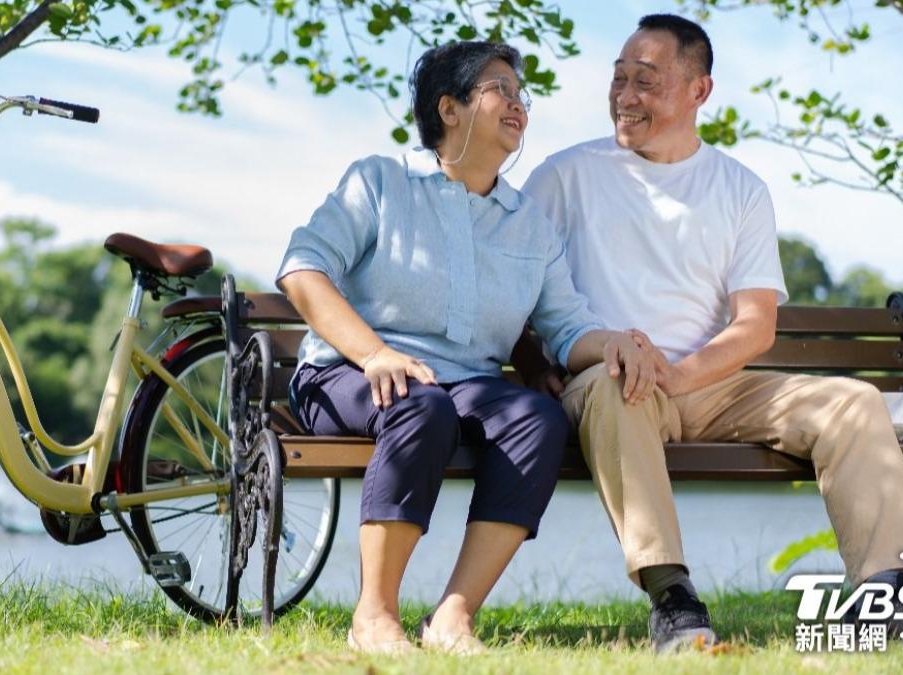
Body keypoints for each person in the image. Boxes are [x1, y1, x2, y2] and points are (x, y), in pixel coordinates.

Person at [520, 13, 903, 653]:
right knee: (617, 385)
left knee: (852, 401)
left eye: (646, 82)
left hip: (711, 386)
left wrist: (682, 374)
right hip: (610, 381)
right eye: (619, 78)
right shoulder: (564, 176)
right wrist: (529, 363)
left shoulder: (739, 189)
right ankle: (673, 600)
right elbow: (509, 284)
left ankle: (899, 594)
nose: (625, 97)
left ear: (698, 91)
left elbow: (755, 325)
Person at [276, 41, 654, 655]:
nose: (517, 104)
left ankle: (452, 617)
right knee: (421, 402)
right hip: (346, 371)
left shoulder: (528, 222)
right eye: (499, 88)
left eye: (520, 94)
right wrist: (375, 354)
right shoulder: (380, 180)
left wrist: (616, 342)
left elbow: (567, 327)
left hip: (462, 386)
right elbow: (302, 270)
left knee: (536, 416)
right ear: (449, 109)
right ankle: (374, 617)